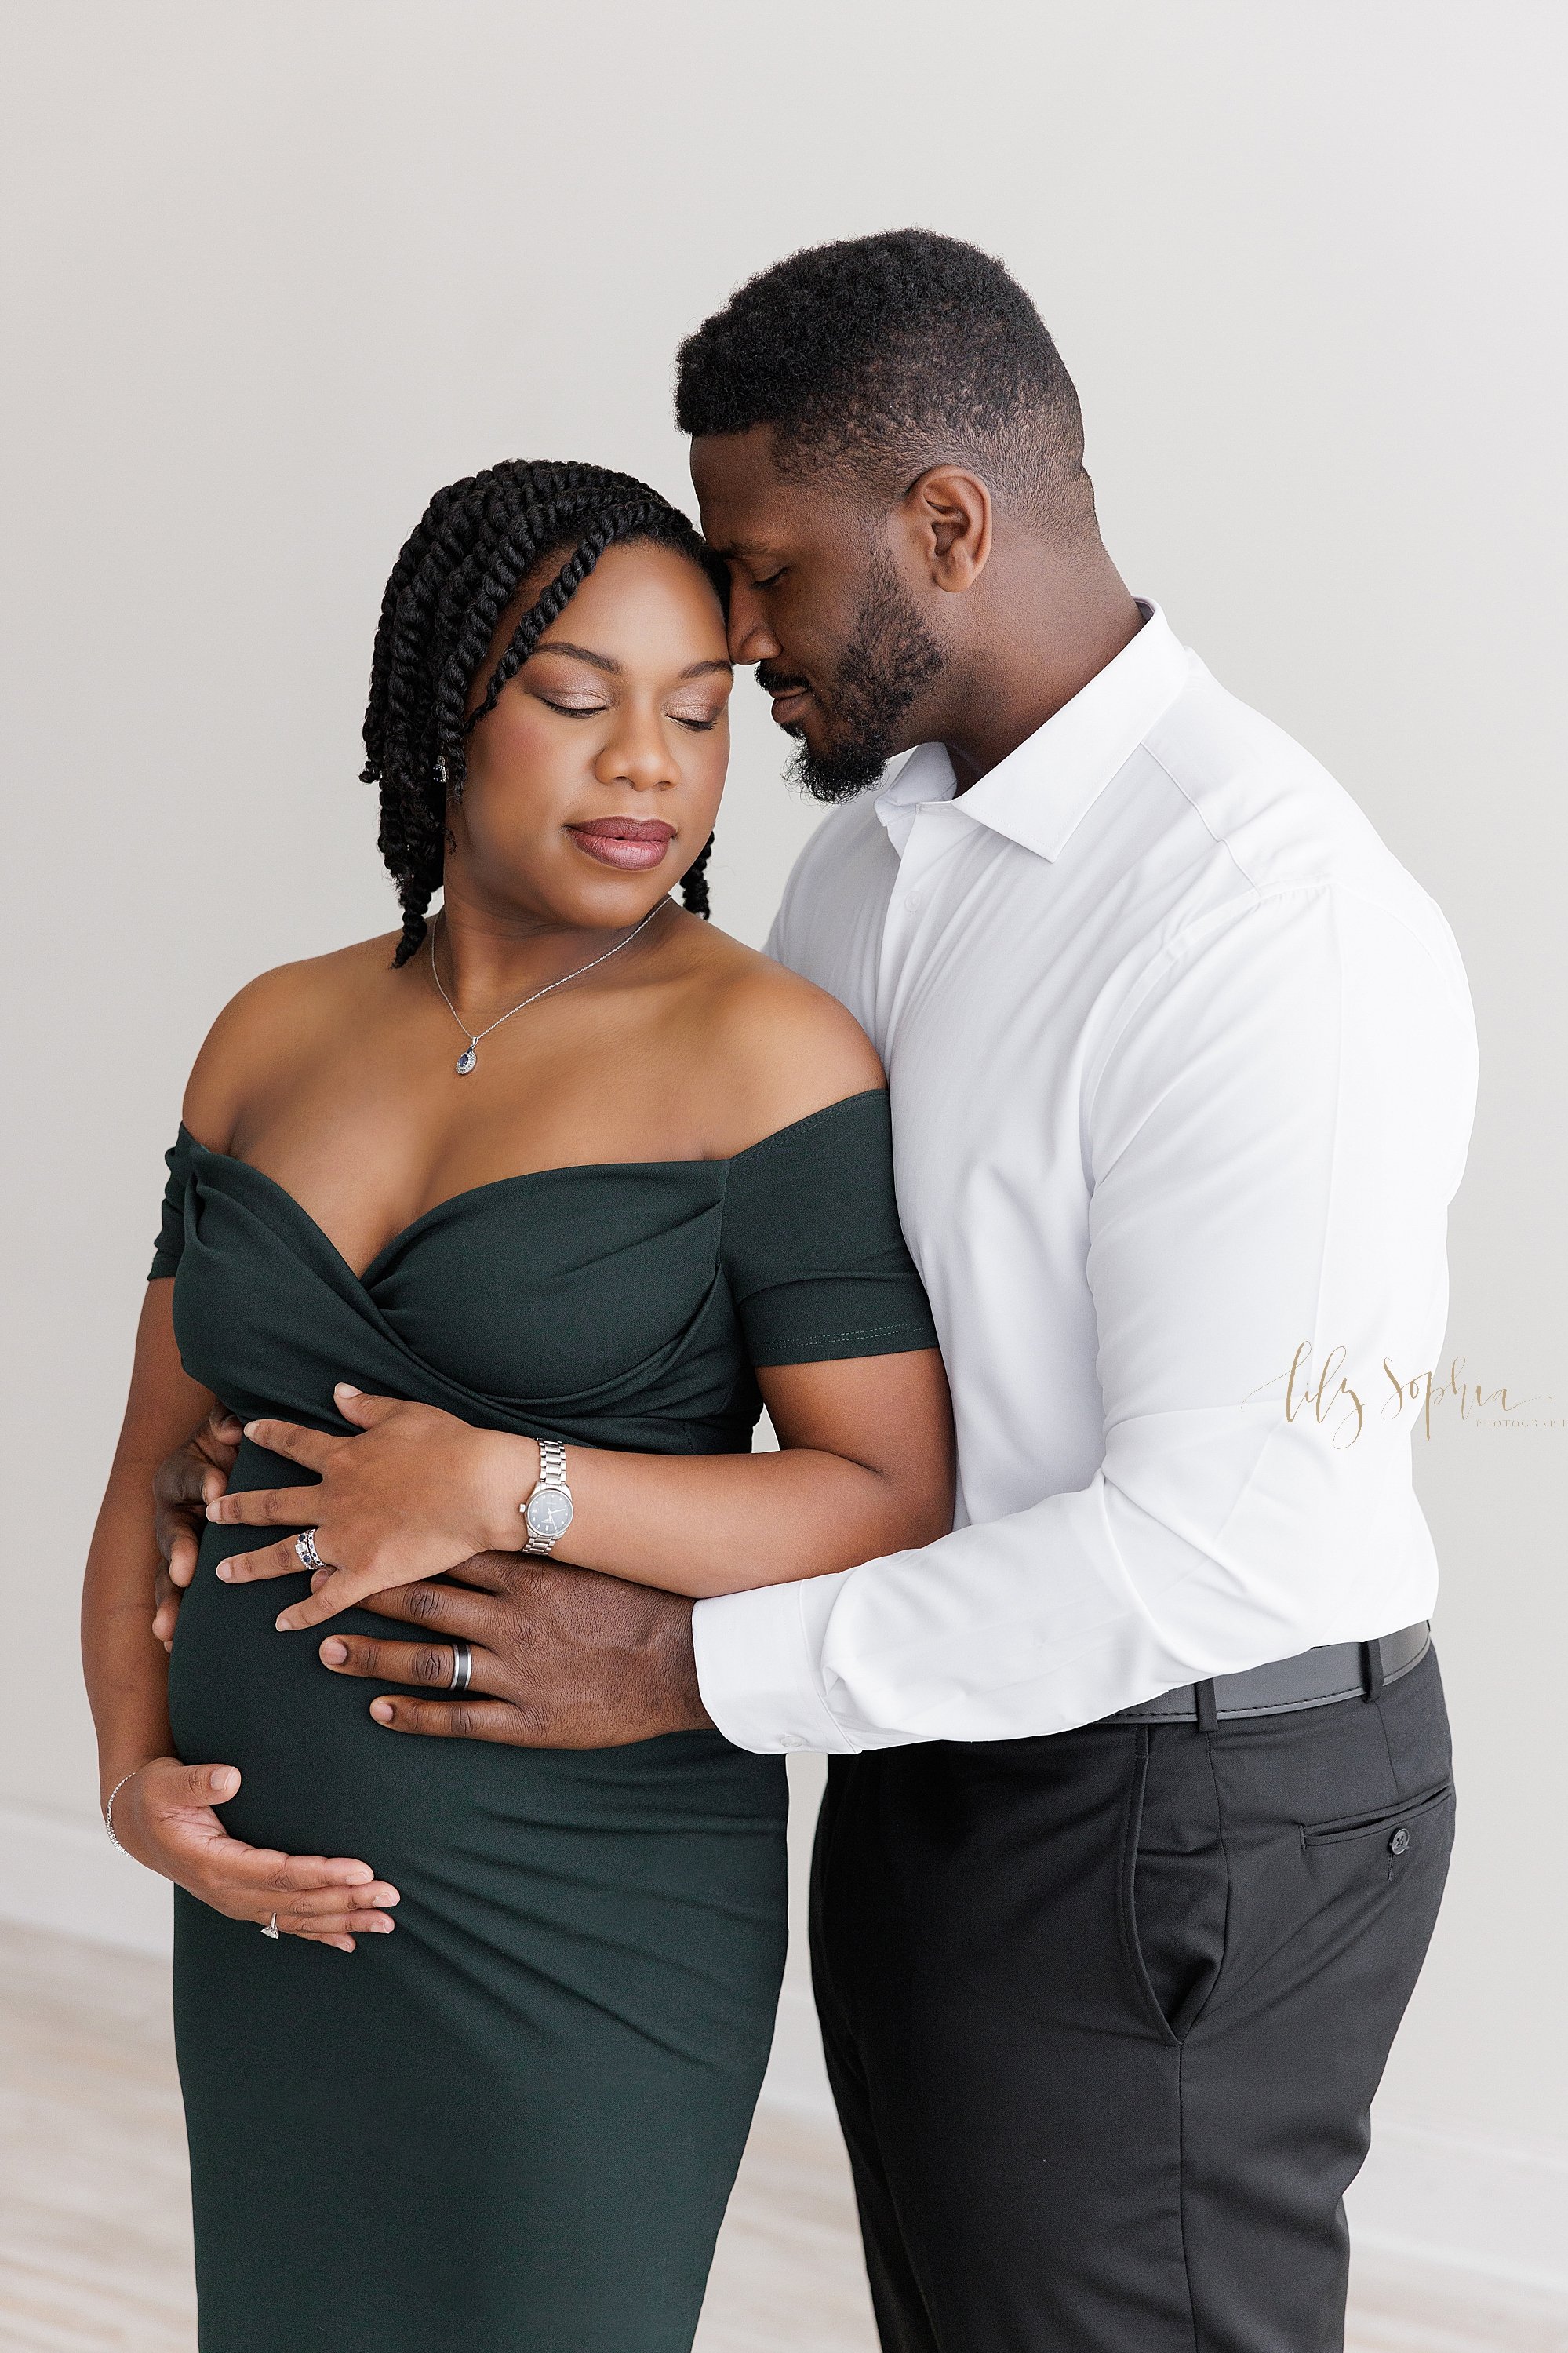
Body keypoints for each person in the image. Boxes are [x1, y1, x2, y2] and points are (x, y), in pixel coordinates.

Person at [151, 233, 1477, 2353]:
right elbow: (749, 1313)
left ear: (948, 526)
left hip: (1188, 1792)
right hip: (934, 1740)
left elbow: (1250, 1539)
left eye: (759, 578)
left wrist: (679, 1660)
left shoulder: (1266, 924)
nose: (730, 635)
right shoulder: (866, 860)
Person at [82, 457, 953, 2353]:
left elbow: (885, 1490)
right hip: (277, 1916)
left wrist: (503, 1482)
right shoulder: (269, 1028)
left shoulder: (765, 1054)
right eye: (579, 699)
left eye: (702, 712)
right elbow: (155, 1460)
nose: (647, 762)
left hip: (587, 1905)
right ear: (438, 710)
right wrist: (134, 1772)